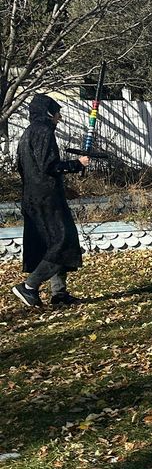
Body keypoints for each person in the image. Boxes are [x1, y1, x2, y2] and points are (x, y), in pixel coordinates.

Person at [12, 94, 89, 308]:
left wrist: (62, 188)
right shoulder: (43, 132)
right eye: (57, 112)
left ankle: (59, 293)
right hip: (46, 200)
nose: (60, 117)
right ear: (48, 113)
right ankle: (29, 286)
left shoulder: (27, 133)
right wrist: (77, 164)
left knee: (52, 243)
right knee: (64, 242)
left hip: (35, 197)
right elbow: (49, 165)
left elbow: (27, 169)